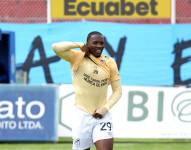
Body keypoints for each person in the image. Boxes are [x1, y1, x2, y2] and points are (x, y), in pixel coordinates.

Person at [52, 31, 122, 150]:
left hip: (102, 116)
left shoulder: (110, 62)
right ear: (88, 43)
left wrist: (105, 108)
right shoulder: (77, 57)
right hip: (81, 115)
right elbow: (56, 47)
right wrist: (79, 45)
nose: (99, 46)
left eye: (102, 43)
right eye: (95, 43)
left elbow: (118, 91)